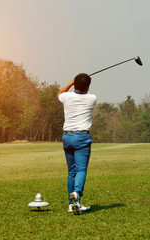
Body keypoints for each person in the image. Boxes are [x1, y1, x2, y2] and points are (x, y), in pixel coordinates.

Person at [57, 73, 97, 215]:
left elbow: (60, 93)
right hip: (81, 137)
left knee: (72, 171)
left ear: (75, 84)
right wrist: (77, 83)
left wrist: (71, 82)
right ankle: (77, 193)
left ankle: (71, 204)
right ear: (88, 86)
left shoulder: (67, 97)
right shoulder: (92, 99)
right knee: (81, 170)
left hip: (67, 136)